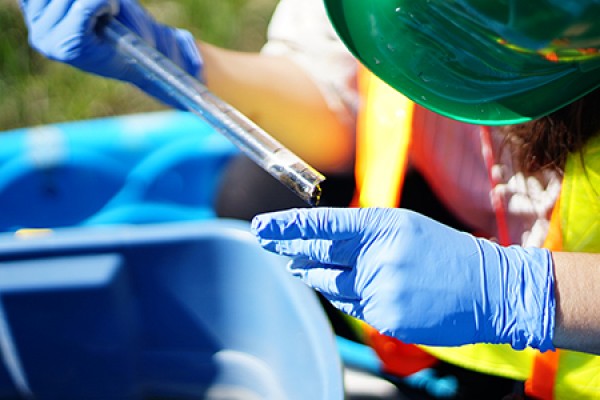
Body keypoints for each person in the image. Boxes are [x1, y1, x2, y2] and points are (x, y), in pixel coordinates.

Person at [18, 0, 600, 398]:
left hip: (577, 342)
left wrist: (524, 295)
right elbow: (332, 106)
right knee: (257, 192)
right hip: (464, 235)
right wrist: (170, 60)